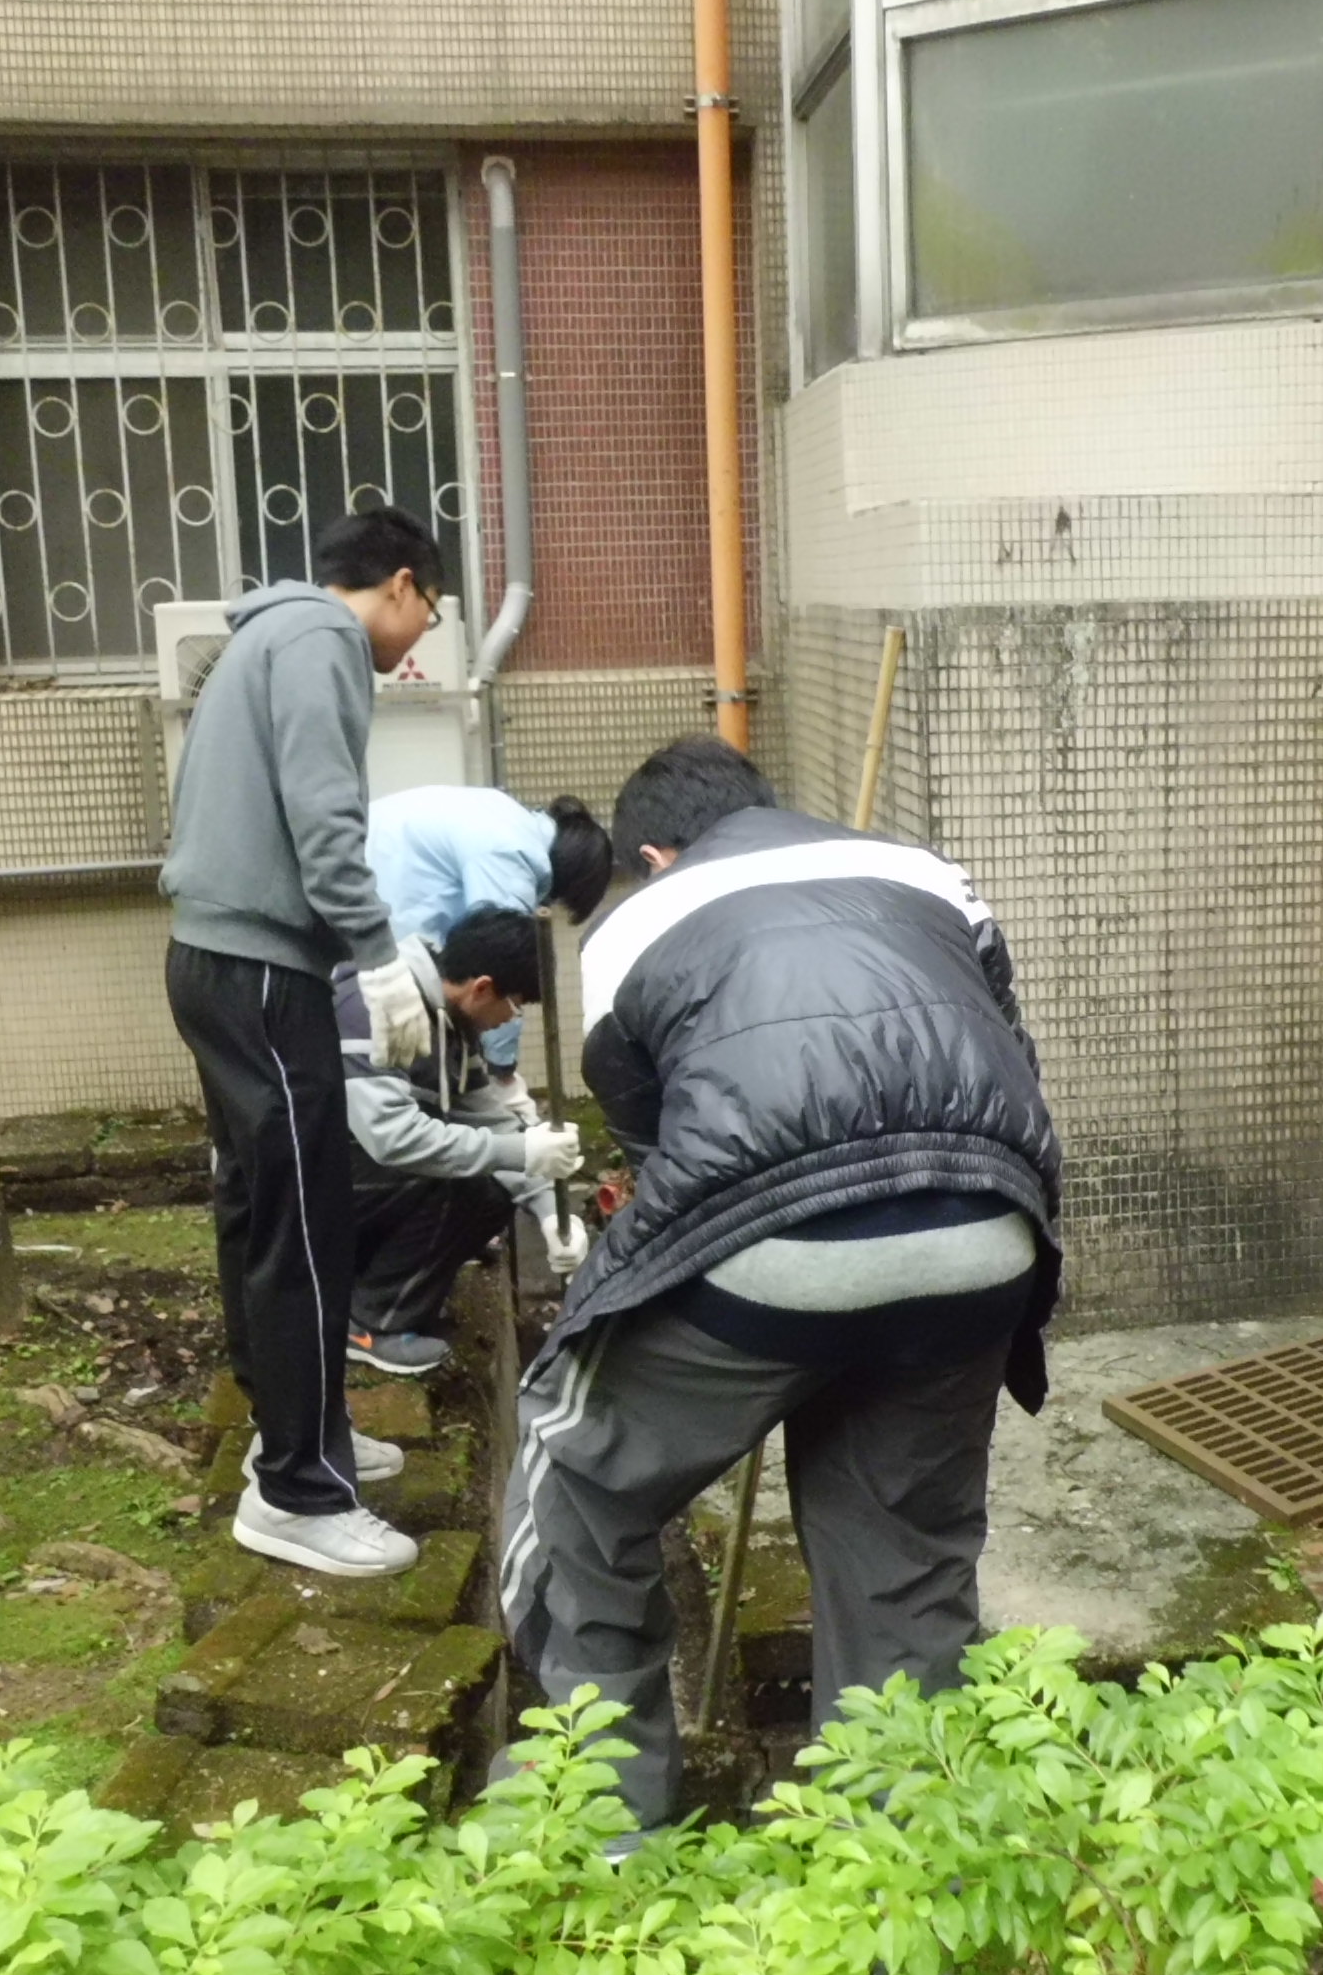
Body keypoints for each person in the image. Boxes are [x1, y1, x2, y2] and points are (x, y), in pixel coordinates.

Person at [500, 735, 1061, 1840]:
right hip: (986, 1232)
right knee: (902, 1555)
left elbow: (657, 1150)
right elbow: (1005, 1047)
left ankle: (605, 1831)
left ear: (653, 856)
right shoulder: (923, 872)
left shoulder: (634, 928)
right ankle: (900, 1866)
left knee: (577, 1481)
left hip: (767, 1241)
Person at [162, 505, 449, 1582]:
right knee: (305, 1226)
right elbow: (326, 822)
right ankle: (298, 1492)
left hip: (211, 961)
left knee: (257, 1214)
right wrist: (378, 957)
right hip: (263, 975)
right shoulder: (325, 637)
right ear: (403, 584)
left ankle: (295, 1433)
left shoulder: (266, 634)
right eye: (428, 614)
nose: (417, 640)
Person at [333, 904, 587, 1377]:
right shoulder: (374, 1004)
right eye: (515, 1005)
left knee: (489, 1188)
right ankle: (369, 1324)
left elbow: (489, 1119)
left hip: (360, 1180)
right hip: (307, 1184)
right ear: (483, 988)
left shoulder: (453, 1025)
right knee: (462, 1179)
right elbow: (392, 1138)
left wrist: (552, 1212)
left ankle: (383, 1292)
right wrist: (520, 1152)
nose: (511, 1019)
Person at [366, 787, 616, 1119]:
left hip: (366, 900)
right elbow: (500, 971)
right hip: (383, 945)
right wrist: (502, 1072)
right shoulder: (514, 852)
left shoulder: (504, 814)